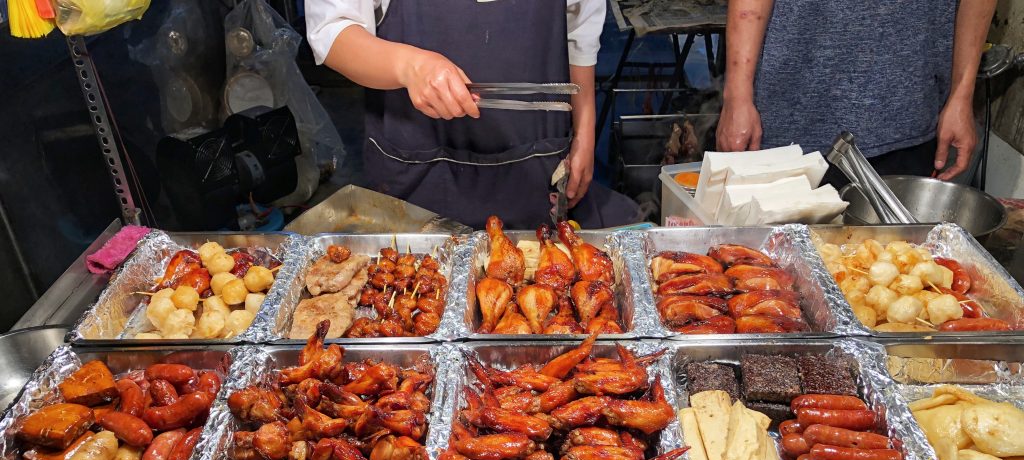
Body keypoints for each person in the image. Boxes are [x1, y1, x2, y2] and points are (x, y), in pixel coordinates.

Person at [305, 0, 640, 229]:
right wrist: (409, 66)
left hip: (535, 168)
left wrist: (585, 131)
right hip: (420, 172)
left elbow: (580, 28)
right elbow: (333, 30)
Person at [716, 0, 998, 184]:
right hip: (793, 113)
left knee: (893, 267)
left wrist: (962, 94)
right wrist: (737, 95)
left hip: (909, 112)